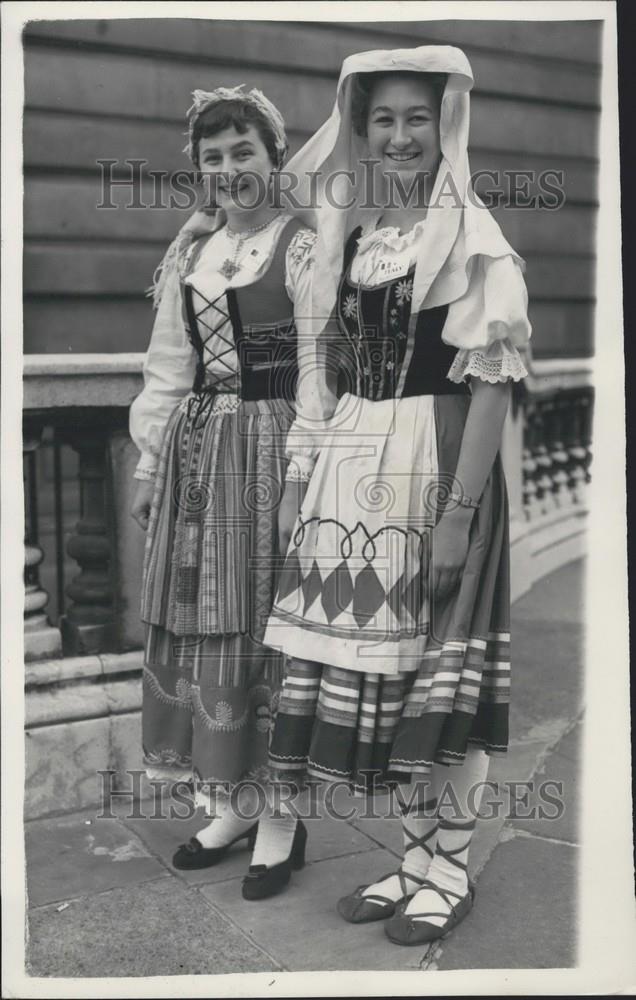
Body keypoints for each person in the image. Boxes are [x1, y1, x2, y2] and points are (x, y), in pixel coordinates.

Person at [262, 46, 531, 943]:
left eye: (418, 116)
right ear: (362, 130)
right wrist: (301, 481)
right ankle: (414, 854)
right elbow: (327, 376)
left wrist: (459, 514)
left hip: (436, 469)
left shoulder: (471, 235)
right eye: (384, 119)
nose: (401, 134)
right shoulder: (362, 240)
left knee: (439, 669)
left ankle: (450, 862)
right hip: (354, 472)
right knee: (388, 672)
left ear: (444, 120)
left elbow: (491, 380)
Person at [129, 85, 331, 896]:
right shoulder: (192, 254)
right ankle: (233, 803)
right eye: (213, 157)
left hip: (269, 447)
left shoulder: (305, 247)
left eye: (243, 150)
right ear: (200, 170)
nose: (229, 168)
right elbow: (169, 364)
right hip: (198, 454)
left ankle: (281, 818)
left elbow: (321, 367)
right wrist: (149, 466)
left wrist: (301, 476)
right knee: (203, 622)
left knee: (264, 626)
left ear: (274, 157)